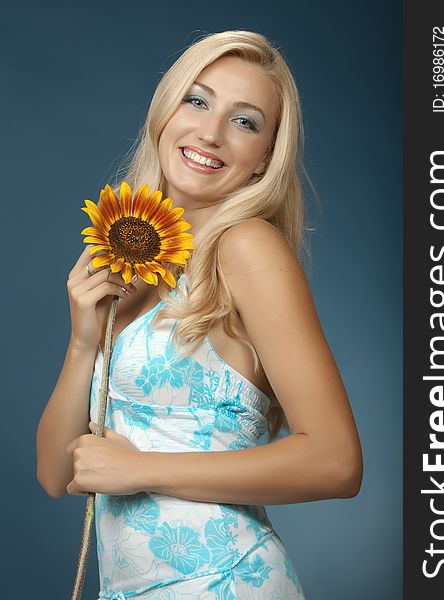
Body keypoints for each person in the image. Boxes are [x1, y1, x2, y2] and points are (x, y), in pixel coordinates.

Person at [36, 30, 363, 599]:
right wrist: (82, 344)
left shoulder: (246, 247)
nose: (211, 133)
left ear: (265, 159)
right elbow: (57, 476)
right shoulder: (131, 264)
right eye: (198, 100)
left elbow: (336, 463)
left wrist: (141, 471)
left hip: (224, 582)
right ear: (165, 111)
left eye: (245, 121)